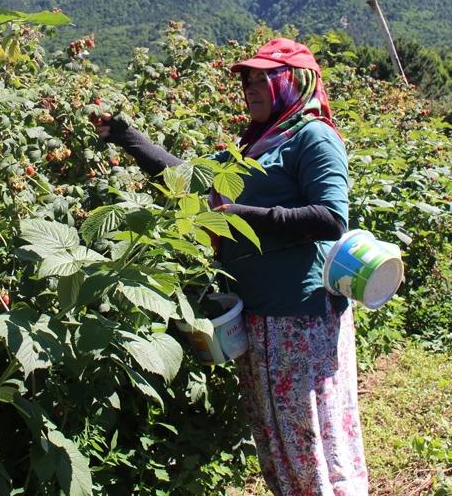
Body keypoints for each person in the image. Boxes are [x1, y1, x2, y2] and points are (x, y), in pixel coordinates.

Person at [92, 38, 368, 496]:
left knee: (308, 435)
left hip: (299, 316)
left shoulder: (311, 137)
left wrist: (244, 218)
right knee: (276, 436)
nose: (252, 88)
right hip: (257, 314)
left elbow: (330, 216)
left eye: (264, 78)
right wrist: (126, 136)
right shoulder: (252, 146)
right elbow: (187, 179)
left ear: (294, 82)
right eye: (248, 79)